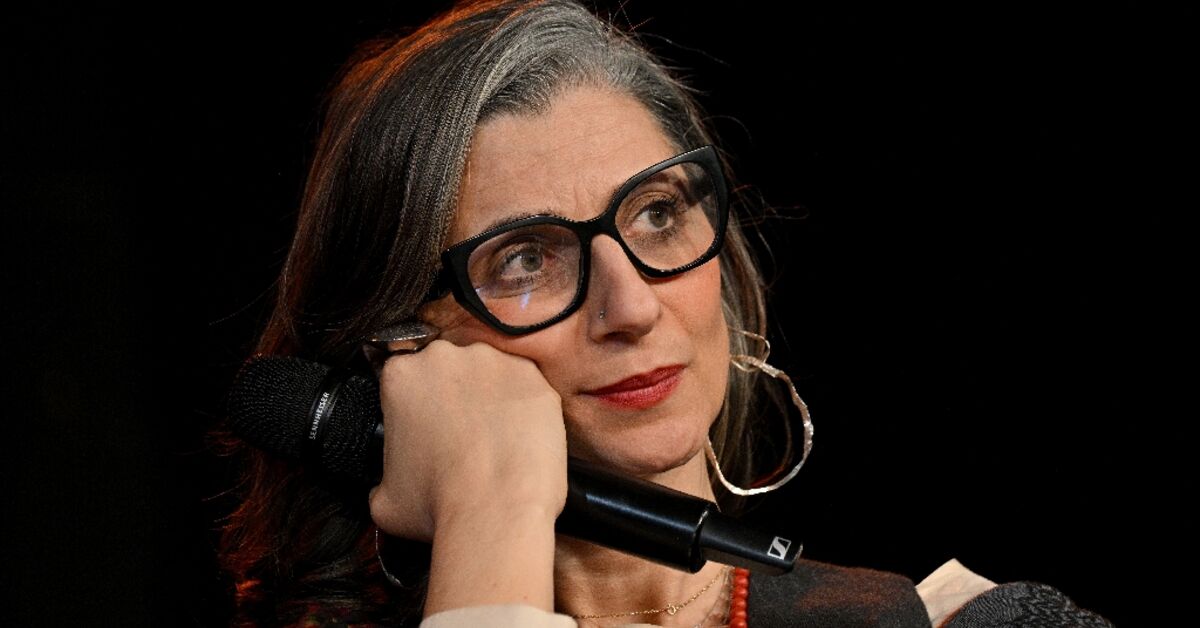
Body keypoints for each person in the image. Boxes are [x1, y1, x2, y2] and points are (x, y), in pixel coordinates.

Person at [219, 1, 1112, 626]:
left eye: (656, 213)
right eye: (526, 258)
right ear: (402, 342)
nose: (633, 306)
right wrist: (492, 512)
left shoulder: (943, 623)